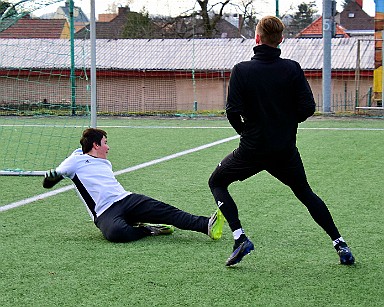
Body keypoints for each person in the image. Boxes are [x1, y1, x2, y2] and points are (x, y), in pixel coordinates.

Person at [208, 16, 355, 266]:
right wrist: (285, 125)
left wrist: (245, 133)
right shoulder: (291, 68)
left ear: (257, 38)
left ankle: (240, 237)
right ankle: (340, 244)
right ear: (281, 40)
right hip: (284, 150)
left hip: (252, 150)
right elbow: (308, 107)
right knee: (306, 193)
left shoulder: (242, 70)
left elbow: (232, 111)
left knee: (216, 182)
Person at [43, 128, 224, 243]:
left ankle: (206, 225)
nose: (108, 147)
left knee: (166, 211)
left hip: (126, 199)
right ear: (96, 145)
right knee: (116, 233)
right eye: (105, 143)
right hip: (105, 212)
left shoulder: (105, 162)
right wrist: (51, 178)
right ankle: (148, 229)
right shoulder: (75, 161)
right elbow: (50, 181)